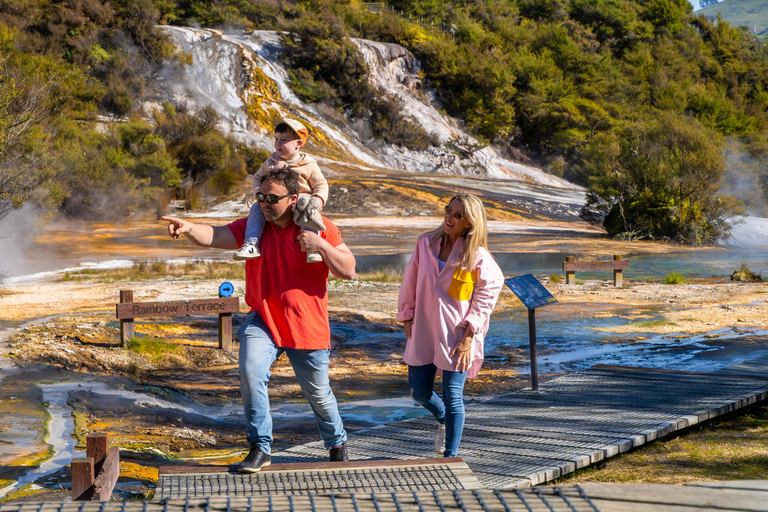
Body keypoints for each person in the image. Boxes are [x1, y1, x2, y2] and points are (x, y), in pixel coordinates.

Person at [162, 169, 355, 473]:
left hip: (306, 325)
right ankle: (260, 447)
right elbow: (216, 235)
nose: (265, 203)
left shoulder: (319, 227)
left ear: (293, 199)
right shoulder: (255, 227)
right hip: (262, 318)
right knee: (251, 372)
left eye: (272, 198)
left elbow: (349, 269)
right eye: (261, 197)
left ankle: (337, 444)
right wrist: (188, 228)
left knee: (318, 394)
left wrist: (322, 247)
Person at [397, 193, 504, 457]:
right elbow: (409, 281)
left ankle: (450, 457)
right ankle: (444, 419)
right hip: (422, 329)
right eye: (448, 210)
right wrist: (406, 315)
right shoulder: (425, 244)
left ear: (470, 222)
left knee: (453, 395)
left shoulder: (477, 256)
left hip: (457, 335)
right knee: (419, 392)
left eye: (458, 215)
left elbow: (487, 294)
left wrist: (470, 336)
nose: (449, 217)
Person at [234, 118, 329, 261]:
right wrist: (259, 194)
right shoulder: (271, 162)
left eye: (284, 140)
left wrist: (318, 199)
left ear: (298, 144)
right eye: (276, 139)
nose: (278, 143)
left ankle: (312, 247)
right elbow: (256, 178)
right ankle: (251, 244)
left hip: (302, 198)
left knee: (309, 211)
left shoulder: (308, 165)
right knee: (256, 209)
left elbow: (321, 184)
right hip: (274, 201)